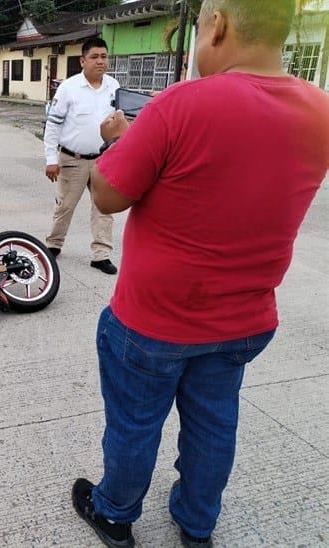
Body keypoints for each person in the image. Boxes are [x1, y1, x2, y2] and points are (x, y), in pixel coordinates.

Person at [70, 1, 329, 547]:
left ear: (218, 24)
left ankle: (115, 514)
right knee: (214, 425)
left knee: (136, 426)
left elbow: (110, 194)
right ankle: (196, 525)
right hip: (245, 320)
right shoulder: (320, 110)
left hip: (154, 320)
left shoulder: (182, 103)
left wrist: (120, 139)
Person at [43, 37, 119, 275]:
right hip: (72, 159)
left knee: (104, 208)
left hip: (103, 159)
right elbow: (53, 125)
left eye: (104, 57)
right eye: (94, 57)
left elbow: (119, 122)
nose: (100, 61)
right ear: (82, 60)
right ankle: (53, 245)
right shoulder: (69, 87)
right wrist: (51, 159)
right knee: (65, 206)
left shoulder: (114, 86)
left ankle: (101, 254)